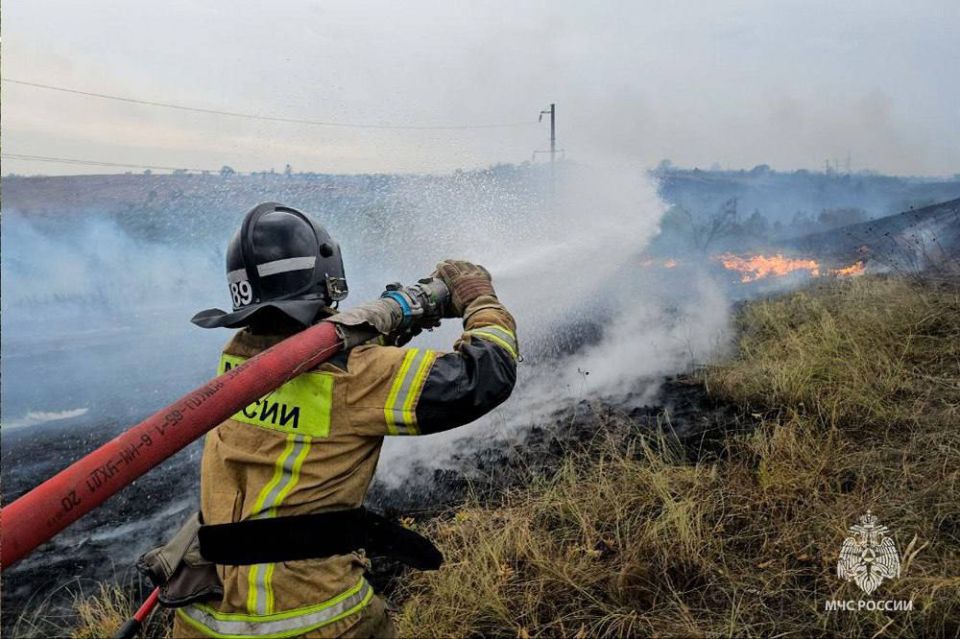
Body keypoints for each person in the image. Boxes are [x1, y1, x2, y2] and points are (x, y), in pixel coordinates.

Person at [172, 202, 518, 638]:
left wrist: (389, 323)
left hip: (203, 621)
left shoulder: (238, 359)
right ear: (327, 275)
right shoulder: (356, 375)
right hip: (313, 620)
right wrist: (480, 299)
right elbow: (483, 375)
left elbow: (320, 361)